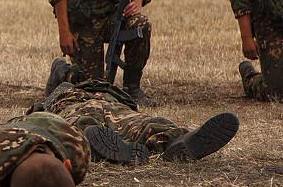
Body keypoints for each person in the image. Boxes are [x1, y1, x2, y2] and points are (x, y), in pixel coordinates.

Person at [38, 59, 239, 163]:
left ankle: (95, 146)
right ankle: (173, 138)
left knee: (81, 123)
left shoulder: (57, 97)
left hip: (80, 105)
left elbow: (37, 125)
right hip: (114, 103)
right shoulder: (66, 91)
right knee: (141, 123)